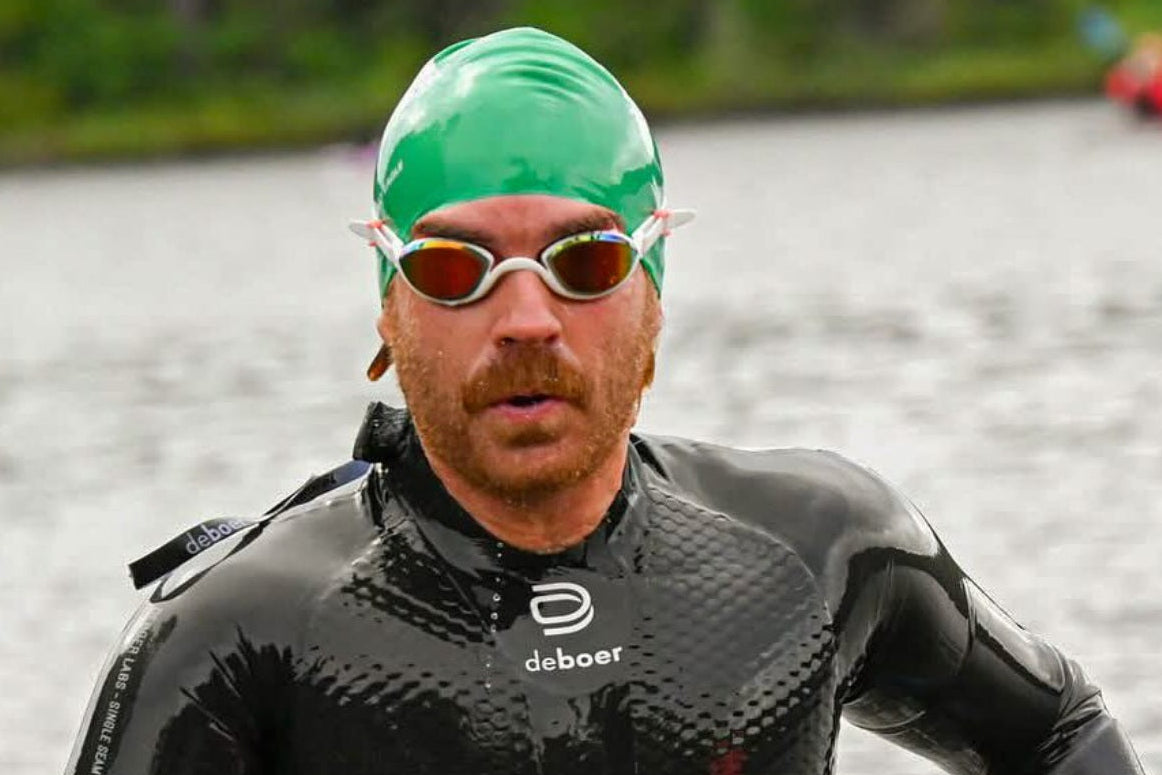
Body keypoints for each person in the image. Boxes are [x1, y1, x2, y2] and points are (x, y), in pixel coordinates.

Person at [66, 27, 1144, 775]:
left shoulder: (823, 548)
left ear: (651, 295)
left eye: (582, 263)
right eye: (456, 269)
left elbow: (1059, 734)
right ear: (391, 309)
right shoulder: (235, 633)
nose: (526, 318)